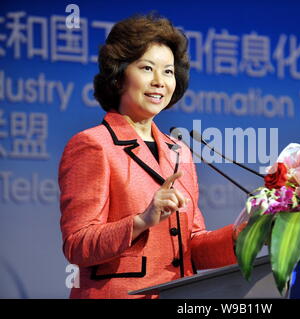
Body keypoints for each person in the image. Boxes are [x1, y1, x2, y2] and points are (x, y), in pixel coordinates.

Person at [58, 13, 239, 299]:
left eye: (168, 72)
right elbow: (77, 245)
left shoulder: (178, 152)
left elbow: (192, 248)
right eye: (147, 68)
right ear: (119, 77)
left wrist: (247, 234)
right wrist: (141, 221)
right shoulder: (93, 145)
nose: (159, 81)